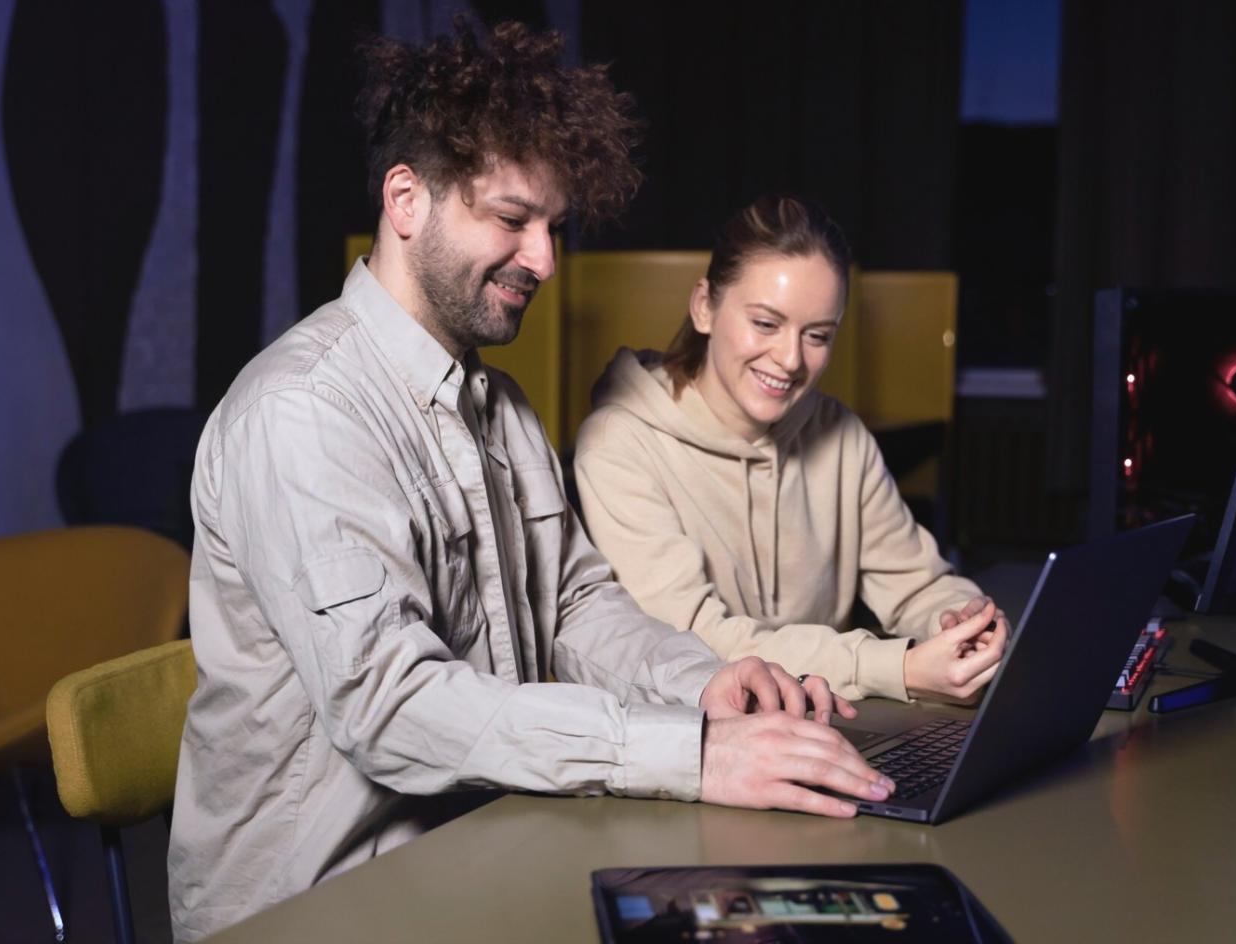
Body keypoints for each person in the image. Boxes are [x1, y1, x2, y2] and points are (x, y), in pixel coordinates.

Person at [167, 25, 893, 942]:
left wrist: (707, 684)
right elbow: (390, 707)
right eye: (512, 220)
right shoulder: (304, 413)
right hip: (317, 905)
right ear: (405, 200)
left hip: (479, 842)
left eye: (554, 227)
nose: (544, 260)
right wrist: (687, 752)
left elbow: (577, 605)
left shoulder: (498, 406)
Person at [574, 195, 1009, 706]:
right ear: (704, 306)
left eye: (817, 335)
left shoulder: (840, 435)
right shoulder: (619, 443)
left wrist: (964, 622)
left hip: (830, 722)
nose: (789, 359)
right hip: (692, 743)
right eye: (765, 323)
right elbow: (691, 642)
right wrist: (901, 667)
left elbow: (916, 585)